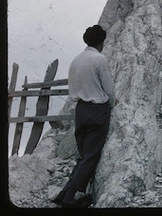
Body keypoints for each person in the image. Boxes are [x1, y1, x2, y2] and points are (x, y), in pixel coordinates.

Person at [52, 25, 118, 208]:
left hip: (80, 110)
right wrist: (113, 103)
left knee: (83, 155)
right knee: (91, 156)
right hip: (97, 109)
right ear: (101, 42)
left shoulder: (76, 60)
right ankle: (69, 197)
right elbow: (108, 88)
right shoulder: (100, 59)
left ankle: (65, 191)